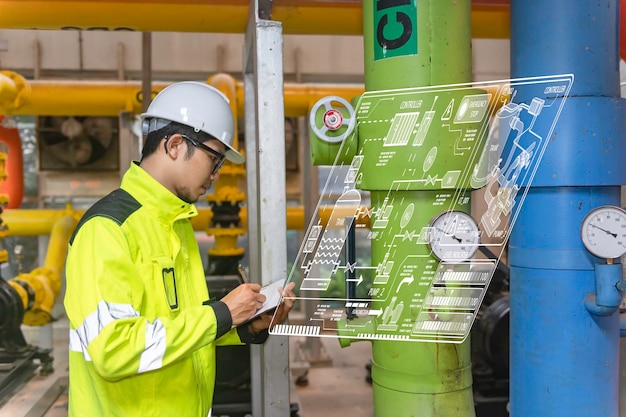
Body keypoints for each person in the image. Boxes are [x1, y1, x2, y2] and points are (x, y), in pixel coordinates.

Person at [63, 81, 296, 417]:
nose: (216, 175)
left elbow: (173, 331)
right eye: (214, 159)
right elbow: (113, 351)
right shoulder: (107, 229)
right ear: (174, 145)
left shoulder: (177, 224)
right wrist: (222, 314)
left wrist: (242, 326)